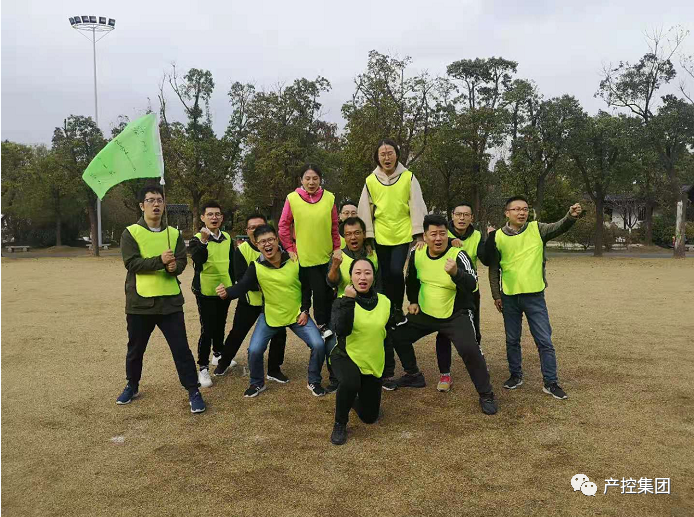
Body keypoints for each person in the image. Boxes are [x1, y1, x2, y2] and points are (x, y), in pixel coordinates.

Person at [388, 214, 498, 415]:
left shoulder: (458, 254)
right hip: (425, 313)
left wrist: (456, 273)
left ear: (448, 234)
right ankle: (413, 374)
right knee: (395, 334)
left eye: (442, 233)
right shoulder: (417, 252)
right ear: (425, 236)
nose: (438, 238)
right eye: (433, 234)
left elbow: (473, 285)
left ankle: (486, 394)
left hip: (455, 314)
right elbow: (411, 279)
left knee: (470, 349)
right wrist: (413, 301)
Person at [117, 185, 206, 413]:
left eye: (159, 200)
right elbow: (131, 263)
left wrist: (175, 267)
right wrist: (160, 261)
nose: (155, 204)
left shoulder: (173, 234)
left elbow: (181, 261)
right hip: (140, 303)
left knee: (181, 349)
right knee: (136, 349)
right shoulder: (130, 233)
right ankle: (132, 385)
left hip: (170, 303)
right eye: (150, 200)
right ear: (142, 205)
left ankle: (193, 390)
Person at [487, 196, 583, 400]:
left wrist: (570, 216)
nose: (522, 213)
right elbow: (494, 269)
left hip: (534, 296)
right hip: (509, 296)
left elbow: (559, 226)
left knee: (544, 340)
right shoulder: (497, 237)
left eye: (525, 209)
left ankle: (551, 382)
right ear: (507, 213)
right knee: (512, 339)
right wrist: (496, 295)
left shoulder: (537, 229)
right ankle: (515, 375)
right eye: (516, 209)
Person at [216, 225, 326, 398]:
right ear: (256, 245)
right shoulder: (256, 266)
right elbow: (242, 286)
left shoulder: (294, 260)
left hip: (296, 315)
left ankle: (314, 381)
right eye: (262, 242)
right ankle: (257, 383)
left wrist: (305, 310)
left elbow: (306, 288)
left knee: (318, 344)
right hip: (270, 316)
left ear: (277, 240)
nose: (267, 244)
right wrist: (227, 293)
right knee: (254, 350)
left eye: (270, 240)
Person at [329, 258, 397, 445]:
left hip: (372, 360)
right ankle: (339, 423)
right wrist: (349, 301)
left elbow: (387, 336)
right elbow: (342, 330)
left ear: (374, 277)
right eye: (357, 273)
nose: (362, 277)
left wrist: (389, 368)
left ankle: (351, 398)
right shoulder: (341, 301)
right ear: (351, 277)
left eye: (367, 273)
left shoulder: (385, 302)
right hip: (346, 355)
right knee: (350, 383)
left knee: (370, 417)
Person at [357, 138, 427, 319]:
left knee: (396, 271)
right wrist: (367, 238)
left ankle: (397, 307)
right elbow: (365, 210)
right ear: (377, 157)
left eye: (390, 153)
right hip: (381, 233)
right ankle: (386, 310)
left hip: (402, 232)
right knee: (384, 274)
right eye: (383, 154)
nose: (387, 158)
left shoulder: (408, 177)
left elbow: (416, 205)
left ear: (397, 155)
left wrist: (419, 235)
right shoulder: (370, 180)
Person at [213, 213, 287, 382]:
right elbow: (240, 277)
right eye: (251, 227)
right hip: (249, 301)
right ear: (247, 231)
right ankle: (223, 363)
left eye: (259, 226)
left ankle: (274, 369)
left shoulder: (277, 247)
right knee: (237, 333)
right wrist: (262, 284)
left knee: (279, 334)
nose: (255, 230)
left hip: (274, 302)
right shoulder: (241, 250)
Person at [278, 164, 341, 339]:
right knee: (318, 291)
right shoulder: (292, 198)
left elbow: (334, 226)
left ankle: (332, 323)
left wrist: (337, 248)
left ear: (320, 180)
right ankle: (321, 324)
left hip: (327, 254)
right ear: (301, 180)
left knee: (330, 290)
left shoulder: (329, 198)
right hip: (306, 256)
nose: (311, 182)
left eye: (315, 178)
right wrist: (289, 248)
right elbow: (283, 225)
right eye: (307, 178)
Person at [435, 202, 490, 393]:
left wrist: (490, 239)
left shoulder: (477, 235)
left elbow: (486, 259)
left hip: (469, 290)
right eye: (458, 214)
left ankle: (478, 365)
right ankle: (445, 374)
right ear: (452, 215)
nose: (462, 218)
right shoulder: (442, 233)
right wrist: (449, 240)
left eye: (466, 215)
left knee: (474, 330)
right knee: (443, 333)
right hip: (446, 291)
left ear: (472, 218)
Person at [325, 216, 380, 393]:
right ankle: (335, 377)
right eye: (348, 234)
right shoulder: (338, 256)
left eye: (357, 233)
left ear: (364, 234)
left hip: (369, 304)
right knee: (334, 341)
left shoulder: (372, 254)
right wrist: (335, 266)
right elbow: (331, 283)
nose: (353, 237)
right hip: (344, 304)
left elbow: (377, 282)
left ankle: (379, 374)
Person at [188, 201, 234, 388]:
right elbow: (198, 260)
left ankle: (218, 354)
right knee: (207, 328)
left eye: (217, 214)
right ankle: (203, 367)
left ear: (221, 217)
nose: (214, 218)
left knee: (221, 323)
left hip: (224, 288)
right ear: (202, 217)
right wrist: (204, 241)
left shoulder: (227, 237)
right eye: (210, 214)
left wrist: (233, 285)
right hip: (205, 290)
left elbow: (232, 262)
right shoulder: (196, 239)